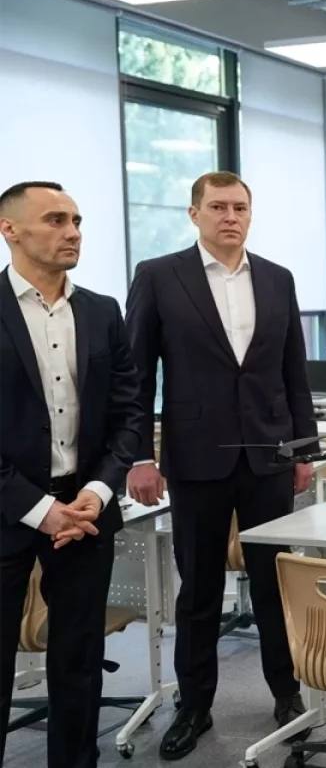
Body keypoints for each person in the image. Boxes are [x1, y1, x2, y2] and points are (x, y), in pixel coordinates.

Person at [124, 171, 317, 760]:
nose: (230, 217)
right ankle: (194, 706)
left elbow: (294, 370)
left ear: (250, 214)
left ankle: (286, 693)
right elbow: (137, 375)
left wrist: (304, 450)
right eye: (217, 207)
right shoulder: (159, 276)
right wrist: (140, 455)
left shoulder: (278, 278)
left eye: (239, 207)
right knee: (200, 589)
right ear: (195, 214)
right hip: (195, 457)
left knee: (274, 582)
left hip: (269, 456)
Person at [0, 181, 142, 767]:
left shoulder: (103, 311)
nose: (73, 232)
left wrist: (98, 489)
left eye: (77, 220)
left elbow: (129, 413)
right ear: (10, 230)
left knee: (79, 657)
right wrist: (40, 511)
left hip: (85, 510)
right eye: (56, 220)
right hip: (8, 509)